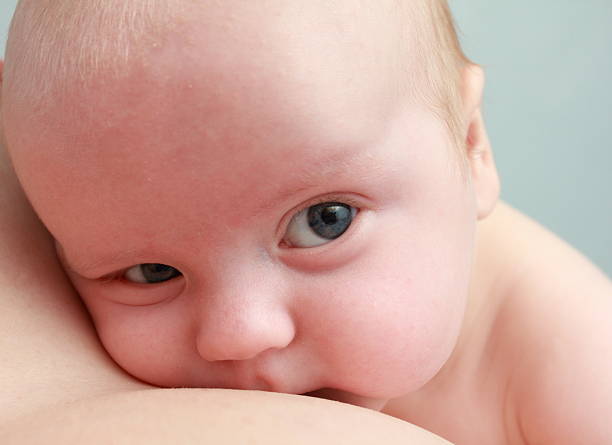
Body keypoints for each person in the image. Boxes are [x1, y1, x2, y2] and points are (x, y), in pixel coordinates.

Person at [2, 0, 611, 444]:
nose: (239, 334)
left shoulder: (581, 368)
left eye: (325, 221)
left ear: (473, 145)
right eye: (151, 271)